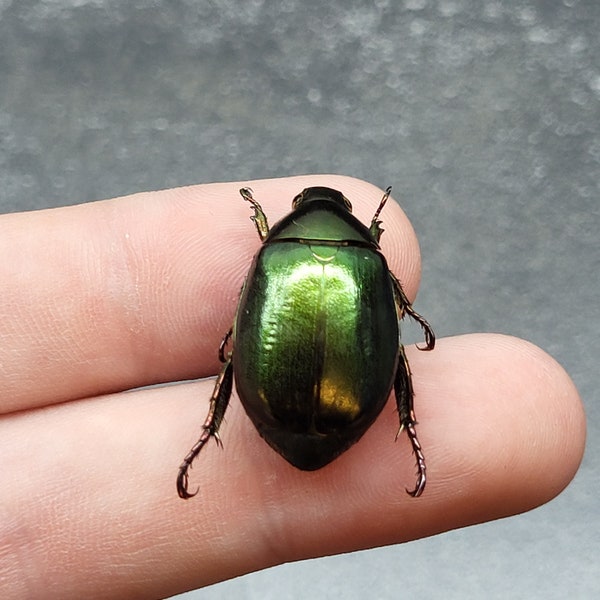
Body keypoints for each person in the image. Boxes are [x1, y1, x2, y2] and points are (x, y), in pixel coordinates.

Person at [0, 175, 585, 598]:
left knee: (238, 362)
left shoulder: (273, 257)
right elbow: (390, 313)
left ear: (284, 224)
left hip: (275, 400)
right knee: (397, 358)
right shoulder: (371, 262)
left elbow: (243, 318)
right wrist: (410, 310)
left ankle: (210, 434)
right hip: (349, 404)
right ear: (364, 230)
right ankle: (405, 430)